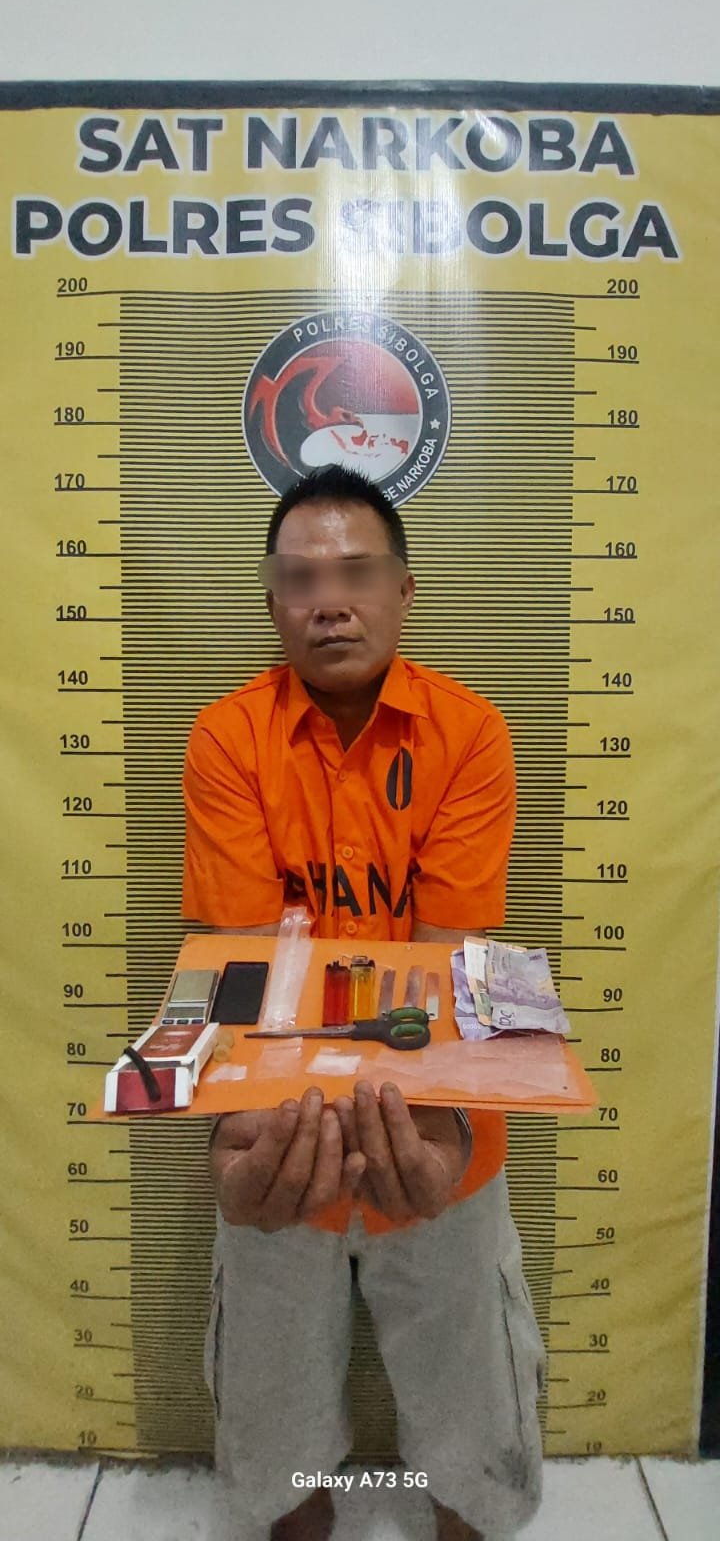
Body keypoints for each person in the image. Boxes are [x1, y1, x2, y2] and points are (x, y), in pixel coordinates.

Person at [182, 466, 545, 1541]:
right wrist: (240, 1144)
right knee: (275, 1436)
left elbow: (445, 966)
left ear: (404, 591)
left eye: (356, 573)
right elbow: (245, 968)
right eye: (301, 579)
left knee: (472, 1436)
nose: (329, 600)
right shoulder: (228, 738)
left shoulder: (470, 735)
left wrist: (435, 1140)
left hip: (439, 1133)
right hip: (277, 1132)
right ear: (273, 605)